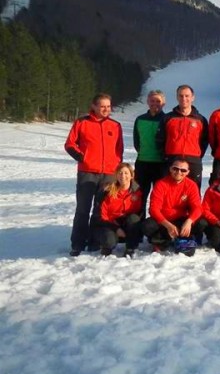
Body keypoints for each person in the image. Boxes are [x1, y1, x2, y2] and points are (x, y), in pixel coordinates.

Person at [65, 93, 123, 256]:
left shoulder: (115, 125)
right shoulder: (82, 123)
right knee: (83, 209)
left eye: (108, 106)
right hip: (87, 173)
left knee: (100, 210)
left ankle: (94, 241)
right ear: (94, 106)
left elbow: (119, 150)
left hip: (108, 174)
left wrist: (116, 166)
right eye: (102, 106)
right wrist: (83, 158)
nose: (106, 109)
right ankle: (77, 243)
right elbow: (70, 144)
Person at [142, 159, 207, 256]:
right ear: (170, 169)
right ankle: (164, 240)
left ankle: (180, 238)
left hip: (182, 220)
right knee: (146, 226)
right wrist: (167, 225)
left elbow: (197, 208)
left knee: (202, 223)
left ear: (188, 172)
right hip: (164, 221)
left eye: (183, 170)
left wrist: (189, 221)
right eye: (175, 169)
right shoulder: (161, 184)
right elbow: (154, 209)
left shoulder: (191, 185)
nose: (179, 172)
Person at [157, 85, 209, 187]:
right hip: (172, 160)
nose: (184, 99)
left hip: (193, 161)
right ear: (177, 97)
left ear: (192, 97)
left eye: (187, 96)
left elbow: (205, 141)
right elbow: (160, 139)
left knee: (193, 193)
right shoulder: (168, 118)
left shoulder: (201, 120)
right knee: (169, 192)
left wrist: (196, 155)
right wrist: (166, 156)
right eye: (181, 96)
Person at [90, 163, 142, 257]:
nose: (123, 176)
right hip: (107, 224)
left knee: (134, 219)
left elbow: (138, 212)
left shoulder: (137, 192)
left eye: (126, 173)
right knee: (110, 241)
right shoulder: (107, 191)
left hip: (125, 223)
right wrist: (116, 228)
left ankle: (130, 247)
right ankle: (106, 245)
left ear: (131, 176)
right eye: (120, 173)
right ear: (116, 175)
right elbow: (100, 216)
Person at [133, 89, 167, 217]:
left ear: (163, 103)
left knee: (159, 199)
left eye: (158, 101)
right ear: (147, 102)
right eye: (152, 101)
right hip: (143, 163)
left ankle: (156, 229)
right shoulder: (140, 119)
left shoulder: (167, 119)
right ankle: (138, 229)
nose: (155, 103)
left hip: (161, 165)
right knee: (140, 196)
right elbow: (137, 142)